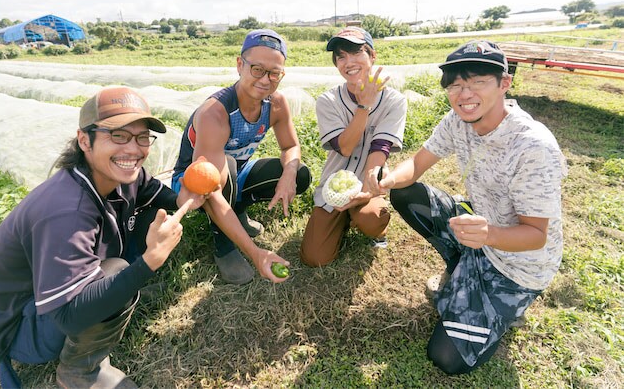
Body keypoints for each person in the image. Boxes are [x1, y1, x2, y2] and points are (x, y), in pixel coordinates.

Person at [0, 87, 206, 388]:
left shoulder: (122, 174)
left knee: (152, 217)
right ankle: (80, 371)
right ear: (85, 140)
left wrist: (183, 200)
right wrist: (150, 260)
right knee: (117, 273)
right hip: (21, 327)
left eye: (141, 137)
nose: (133, 150)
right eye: (118, 135)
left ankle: (118, 296)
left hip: (44, 298)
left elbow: (154, 194)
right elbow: (69, 316)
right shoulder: (67, 211)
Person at [370, 41, 567, 374]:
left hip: (516, 266)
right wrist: (385, 181)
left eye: (478, 81)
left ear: (505, 83)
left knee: (447, 358)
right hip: (477, 230)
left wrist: (488, 234)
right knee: (406, 193)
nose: (464, 94)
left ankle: (500, 303)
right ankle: (463, 267)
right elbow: (416, 166)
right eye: (456, 84)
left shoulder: (532, 146)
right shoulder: (457, 120)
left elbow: (536, 236)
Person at [171, 29, 311, 285]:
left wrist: (289, 175)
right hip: (194, 183)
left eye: (274, 73)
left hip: (236, 172)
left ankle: (238, 211)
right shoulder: (217, 112)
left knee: (299, 173)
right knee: (226, 169)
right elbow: (209, 188)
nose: (265, 80)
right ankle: (224, 246)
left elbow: (290, 146)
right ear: (239, 65)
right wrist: (255, 253)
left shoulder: (276, 104)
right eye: (257, 69)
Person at [299, 27, 407, 267]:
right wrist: (364, 107)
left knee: (371, 219)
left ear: (372, 55)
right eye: (340, 56)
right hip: (334, 187)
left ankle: (370, 225)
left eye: (356, 53)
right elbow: (345, 148)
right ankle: (343, 219)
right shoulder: (329, 101)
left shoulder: (394, 101)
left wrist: (369, 186)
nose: (348, 62)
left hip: (367, 184)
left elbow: (381, 146)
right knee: (314, 258)